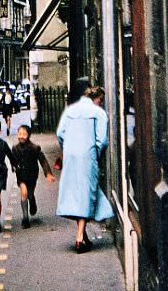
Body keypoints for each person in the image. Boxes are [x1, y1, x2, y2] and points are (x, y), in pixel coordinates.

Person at [56, 85, 113, 253]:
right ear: (98, 99)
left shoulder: (70, 110)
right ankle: (80, 237)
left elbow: (60, 133)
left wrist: (68, 148)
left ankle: (83, 235)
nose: (101, 104)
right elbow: (101, 140)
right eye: (101, 101)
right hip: (88, 156)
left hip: (71, 156)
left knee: (75, 193)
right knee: (86, 193)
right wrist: (95, 153)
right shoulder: (98, 113)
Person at [11, 124, 56, 227]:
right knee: (24, 193)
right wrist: (13, 166)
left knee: (30, 194)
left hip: (32, 175)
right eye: (20, 134)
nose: (21, 136)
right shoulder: (15, 148)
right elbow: (13, 159)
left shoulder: (35, 148)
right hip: (21, 175)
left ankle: (32, 200)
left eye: (24, 134)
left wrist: (48, 173)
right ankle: (25, 218)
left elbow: (43, 161)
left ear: (29, 135)